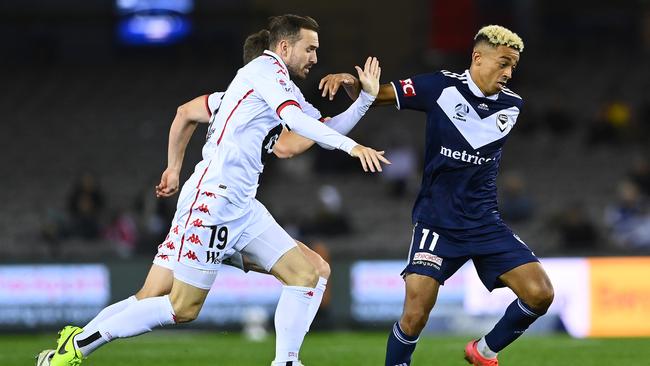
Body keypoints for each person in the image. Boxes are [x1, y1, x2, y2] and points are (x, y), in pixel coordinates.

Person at [47, 14, 389, 366]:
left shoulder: (269, 89)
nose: (316, 58)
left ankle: (286, 362)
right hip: (214, 201)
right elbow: (298, 128)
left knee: (309, 272)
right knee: (182, 307)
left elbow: (305, 134)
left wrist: (364, 101)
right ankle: (80, 343)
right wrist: (353, 148)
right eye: (311, 48)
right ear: (284, 47)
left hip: (239, 204)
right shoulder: (264, 72)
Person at [320, 25, 554, 366]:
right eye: (503, 63)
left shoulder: (512, 106)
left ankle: (485, 351)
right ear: (477, 57)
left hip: (484, 222)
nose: (508, 73)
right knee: (415, 315)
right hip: (437, 221)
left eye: (513, 67)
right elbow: (376, 95)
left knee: (540, 294)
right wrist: (354, 85)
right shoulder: (439, 86)